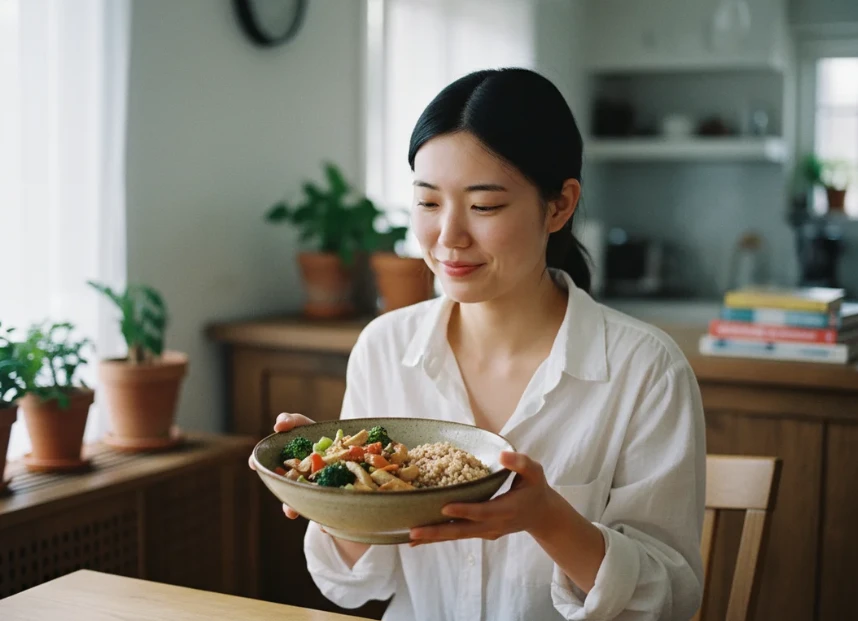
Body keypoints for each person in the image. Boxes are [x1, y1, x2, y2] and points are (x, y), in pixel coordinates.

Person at [255, 68, 706, 621]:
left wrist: (547, 517)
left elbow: (671, 602)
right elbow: (352, 587)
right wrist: (331, 485)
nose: (449, 236)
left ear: (559, 205)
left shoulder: (646, 370)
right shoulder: (385, 347)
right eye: (427, 203)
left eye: (484, 206)